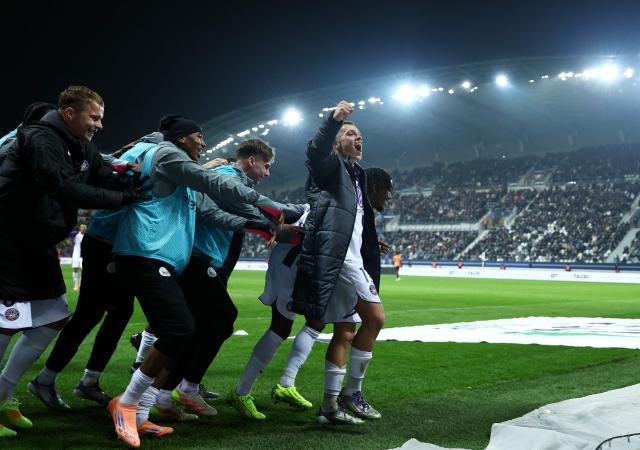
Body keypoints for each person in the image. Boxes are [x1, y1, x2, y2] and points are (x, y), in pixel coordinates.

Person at [106, 115, 287, 448]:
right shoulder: (168, 156)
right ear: (181, 139)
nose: (203, 143)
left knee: (184, 327)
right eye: (198, 137)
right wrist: (275, 208)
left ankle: (145, 408)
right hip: (146, 252)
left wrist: (257, 226)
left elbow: (208, 213)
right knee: (188, 326)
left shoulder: (182, 172)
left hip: (162, 257)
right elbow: (218, 186)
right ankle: (133, 402)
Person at [0, 86, 146, 438]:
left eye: (101, 118)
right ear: (69, 113)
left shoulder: (82, 146)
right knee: (6, 323)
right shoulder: (40, 139)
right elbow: (64, 186)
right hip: (8, 239)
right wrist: (122, 198)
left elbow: (102, 175)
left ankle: (3, 396)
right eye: (93, 117)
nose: (99, 125)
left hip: (36, 242)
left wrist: (133, 178)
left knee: (54, 317)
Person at [228, 167, 393, 421]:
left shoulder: (352, 211)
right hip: (291, 271)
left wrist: (370, 243)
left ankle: (287, 383)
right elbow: (281, 212)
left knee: (318, 324)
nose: (390, 195)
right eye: (387, 189)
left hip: (304, 271)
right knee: (283, 328)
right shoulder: (331, 206)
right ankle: (243, 391)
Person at [29, 132, 164, 414]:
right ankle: (47, 379)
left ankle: (87, 381)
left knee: (118, 311)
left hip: (116, 242)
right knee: (91, 313)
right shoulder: (152, 156)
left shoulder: (133, 153)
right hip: (108, 242)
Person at [292, 101, 391, 425]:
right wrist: (333, 120)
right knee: (375, 318)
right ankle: (353, 394)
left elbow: (355, 219)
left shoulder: (355, 173)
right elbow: (315, 150)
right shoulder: (330, 166)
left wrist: (370, 243)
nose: (357, 137)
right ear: (337, 142)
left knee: (345, 331)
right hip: (341, 260)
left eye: (359, 133)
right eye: (350, 133)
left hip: (348, 257)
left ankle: (329, 407)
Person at [71, 224, 86, 290]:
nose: (83, 228)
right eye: (82, 227)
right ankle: (76, 285)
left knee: (83, 269)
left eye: (84, 227)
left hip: (83, 255)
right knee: (75, 269)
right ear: (80, 228)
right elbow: (67, 233)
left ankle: (80, 283)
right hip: (76, 254)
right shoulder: (76, 234)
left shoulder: (88, 235)